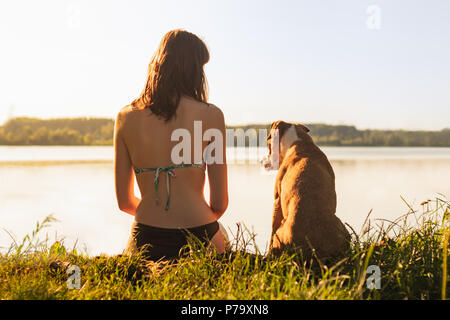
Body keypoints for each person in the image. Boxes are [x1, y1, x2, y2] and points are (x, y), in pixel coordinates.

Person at [114, 29, 228, 261]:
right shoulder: (212, 115)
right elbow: (219, 203)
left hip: (145, 237)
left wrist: (160, 218)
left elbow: (124, 202)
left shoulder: (126, 117)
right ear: (195, 70)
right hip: (201, 234)